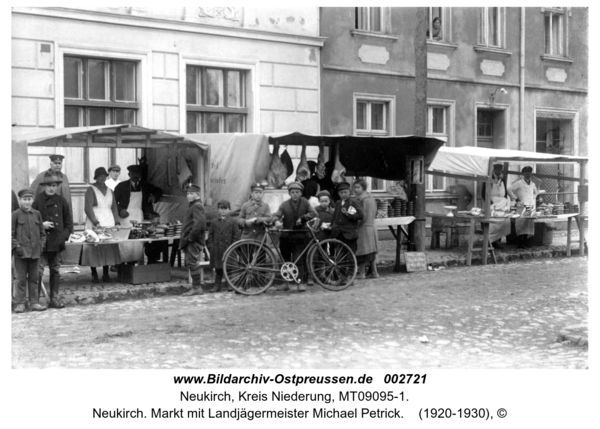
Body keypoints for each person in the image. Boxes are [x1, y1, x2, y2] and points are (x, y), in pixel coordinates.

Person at [32, 173, 73, 309]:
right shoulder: (37, 200)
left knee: (55, 270)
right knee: (38, 271)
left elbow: (69, 223)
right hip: (42, 241)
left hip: (57, 241)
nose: (51, 188)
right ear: (44, 187)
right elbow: (30, 220)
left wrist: (62, 237)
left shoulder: (61, 201)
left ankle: (53, 299)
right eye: (49, 185)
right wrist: (41, 225)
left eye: (54, 185)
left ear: (57, 187)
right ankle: (35, 300)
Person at [272, 182, 317, 292]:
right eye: (292, 192)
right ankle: (285, 283)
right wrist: (277, 221)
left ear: (301, 193)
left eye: (297, 192)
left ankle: (300, 282)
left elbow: (314, 213)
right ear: (289, 193)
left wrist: (303, 218)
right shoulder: (284, 204)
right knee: (285, 260)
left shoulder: (305, 203)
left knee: (298, 260)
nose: (295, 194)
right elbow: (276, 215)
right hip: (285, 236)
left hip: (299, 236)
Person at [114, 164, 163, 263]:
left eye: (138, 173)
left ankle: (136, 262)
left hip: (140, 217)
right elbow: (113, 201)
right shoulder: (121, 186)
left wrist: (154, 197)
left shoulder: (145, 186)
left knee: (139, 241)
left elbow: (159, 191)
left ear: (140, 175)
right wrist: (120, 210)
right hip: (125, 217)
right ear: (129, 174)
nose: (136, 175)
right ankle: (122, 263)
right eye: (133, 173)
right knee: (125, 241)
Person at [81, 167, 122, 283]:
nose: (102, 178)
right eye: (99, 176)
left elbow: (114, 207)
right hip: (95, 221)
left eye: (104, 176)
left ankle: (106, 273)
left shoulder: (110, 191)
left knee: (107, 247)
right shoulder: (91, 190)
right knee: (94, 247)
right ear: (96, 177)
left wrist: (117, 222)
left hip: (108, 221)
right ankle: (94, 274)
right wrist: (95, 222)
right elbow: (88, 208)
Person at [12, 188, 47, 313]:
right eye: (24, 200)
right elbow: (10, 234)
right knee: (20, 279)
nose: (27, 202)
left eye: (29, 199)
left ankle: (34, 302)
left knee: (34, 278)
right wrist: (17, 246)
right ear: (20, 200)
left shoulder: (37, 214)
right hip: (21, 253)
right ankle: (20, 303)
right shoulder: (15, 214)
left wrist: (41, 246)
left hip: (35, 253)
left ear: (33, 200)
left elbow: (43, 233)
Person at [207, 199, 240, 293]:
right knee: (218, 268)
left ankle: (230, 284)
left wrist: (233, 247)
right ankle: (217, 285)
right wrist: (211, 246)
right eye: (221, 209)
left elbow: (236, 235)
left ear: (229, 210)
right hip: (217, 248)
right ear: (218, 210)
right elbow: (210, 235)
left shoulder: (233, 221)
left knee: (229, 267)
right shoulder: (214, 221)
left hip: (229, 248)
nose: (223, 211)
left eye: (225, 209)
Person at [180, 184, 206, 296]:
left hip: (193, 240)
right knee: (191, 262)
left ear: (197, 195)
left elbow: (199, 224)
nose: (189, 196)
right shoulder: (193, 205)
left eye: (191, 194)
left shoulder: (197, 206)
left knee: (192, 262)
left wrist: (191, 238)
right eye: (187, 194)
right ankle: (196, 287)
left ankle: (197, 287)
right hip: (190, 239)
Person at [353, 179, 379, 279]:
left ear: (363, 188)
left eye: (358, 187)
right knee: (371, 251)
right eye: (354, 187)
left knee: (362, 251)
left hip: (363, 227)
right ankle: (374, 272)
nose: (355, 190)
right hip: (371, 226)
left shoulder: (362, 199)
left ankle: (362, 273)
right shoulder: (371, 197)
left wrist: (356, 223)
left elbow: (362, 215)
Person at [481, 163, 511, 249]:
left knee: (502, 223)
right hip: (492, 204)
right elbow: (483, 193)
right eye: (497, 170)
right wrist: (490, 203)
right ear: (494, 170)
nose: (499, 172)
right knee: (492, 224)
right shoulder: (488, 178)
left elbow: (505, 193)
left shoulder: (502, 179)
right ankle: (489, 242)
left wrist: (506, 202)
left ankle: (496, 242)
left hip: (502, 204)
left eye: (500, 170)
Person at [508, 166, 539, 249]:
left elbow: (536, 192)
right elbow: (509, 189)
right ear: (523, 174)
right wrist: (516, 198)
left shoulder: (533, 184)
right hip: (521, 206)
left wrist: (533, 199)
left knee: (528, 225)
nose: (528, 174)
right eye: (526, 173)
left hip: (529, 206)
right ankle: (520, 243)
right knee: (520, 224)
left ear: (531, 174)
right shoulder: (519, 183)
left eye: (529, 173)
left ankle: (525, 242)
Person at [330, 181, 364, 253]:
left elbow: (361, 215)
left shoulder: (353, 202)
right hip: (339, 233)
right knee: (339, 253)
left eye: (345, 192)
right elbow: (334, 216)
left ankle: (352, 264)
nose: (343, 194)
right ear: (338, 194)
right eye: (341, 193)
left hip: (350, 233)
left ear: (349, 192)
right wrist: (332, 225)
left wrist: (348, 215)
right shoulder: (338, 203)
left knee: (350, 253)